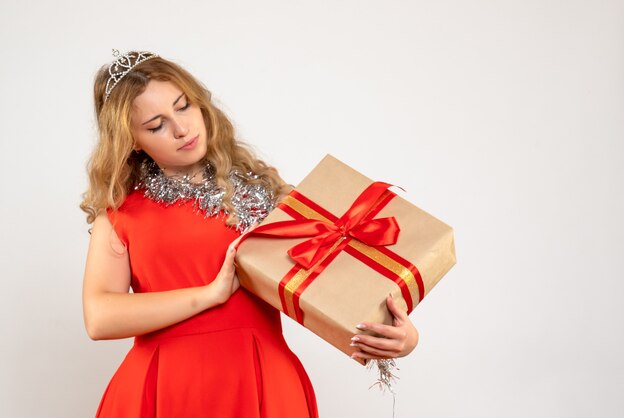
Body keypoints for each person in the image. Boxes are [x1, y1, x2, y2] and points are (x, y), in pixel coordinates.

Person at [81, 50, 419, 418]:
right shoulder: (120, 215)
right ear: (130, 140)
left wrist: (403, 338)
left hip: (263, 381)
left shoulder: (268, 195)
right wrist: (209, 295)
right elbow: (99, 317)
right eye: (156, 125)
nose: (182, 128)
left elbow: (339, 290)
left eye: (184, 106)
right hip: (164, 388)